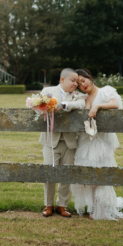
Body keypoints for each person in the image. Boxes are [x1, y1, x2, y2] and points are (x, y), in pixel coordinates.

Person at [70, 69, 123, 220]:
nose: (82, 85)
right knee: (88, 175)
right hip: (85, 141)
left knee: (101, 174)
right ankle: (94, 207)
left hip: (100, 141)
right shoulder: (82, 98)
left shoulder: (105, 91)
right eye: (78, 84)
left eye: (84, 80)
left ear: (90, 77)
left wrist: (97, 107)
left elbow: (114, 104)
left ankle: (102, 211)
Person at [38, 68, 86, 217]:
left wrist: (63, 105)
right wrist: (46, 108)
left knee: (66, 174)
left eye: (77, 82)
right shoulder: (48, 91)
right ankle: (48, 205)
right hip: (50, 140)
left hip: (70, 141)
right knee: (49, 173)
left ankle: (62, 205)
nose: (75, 84)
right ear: (62, 80)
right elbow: (38, 109)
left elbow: (80, 105)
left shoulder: (79, 95)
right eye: (73, 81)